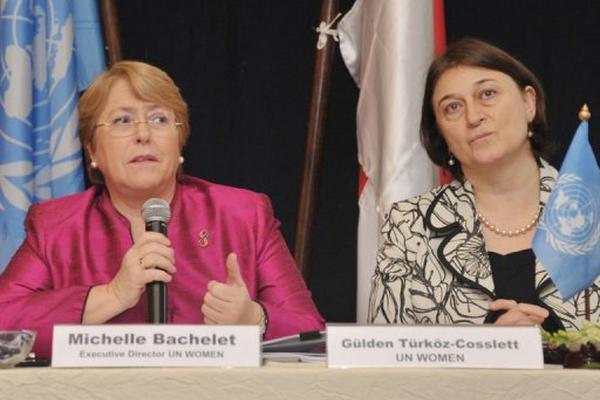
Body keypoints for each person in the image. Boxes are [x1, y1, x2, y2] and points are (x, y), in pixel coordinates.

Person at [0, 61, 324, 358]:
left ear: (179, 142)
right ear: (92, 150)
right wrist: (111, 295)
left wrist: (255, 318)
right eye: (122, 120)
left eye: (159, 119)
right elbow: (4, 326)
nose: (143, 135)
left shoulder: (243, 215)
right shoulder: (56, 226)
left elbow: (314, 334)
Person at [368, 38, 600, 330]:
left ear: (528, 103)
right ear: (441, 135)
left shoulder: (594, 206)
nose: (474, 117)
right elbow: (385, 363)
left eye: (487, 94)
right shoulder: (408, 225)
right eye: (452, 107)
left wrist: (552, 346)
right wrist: (488, 347)